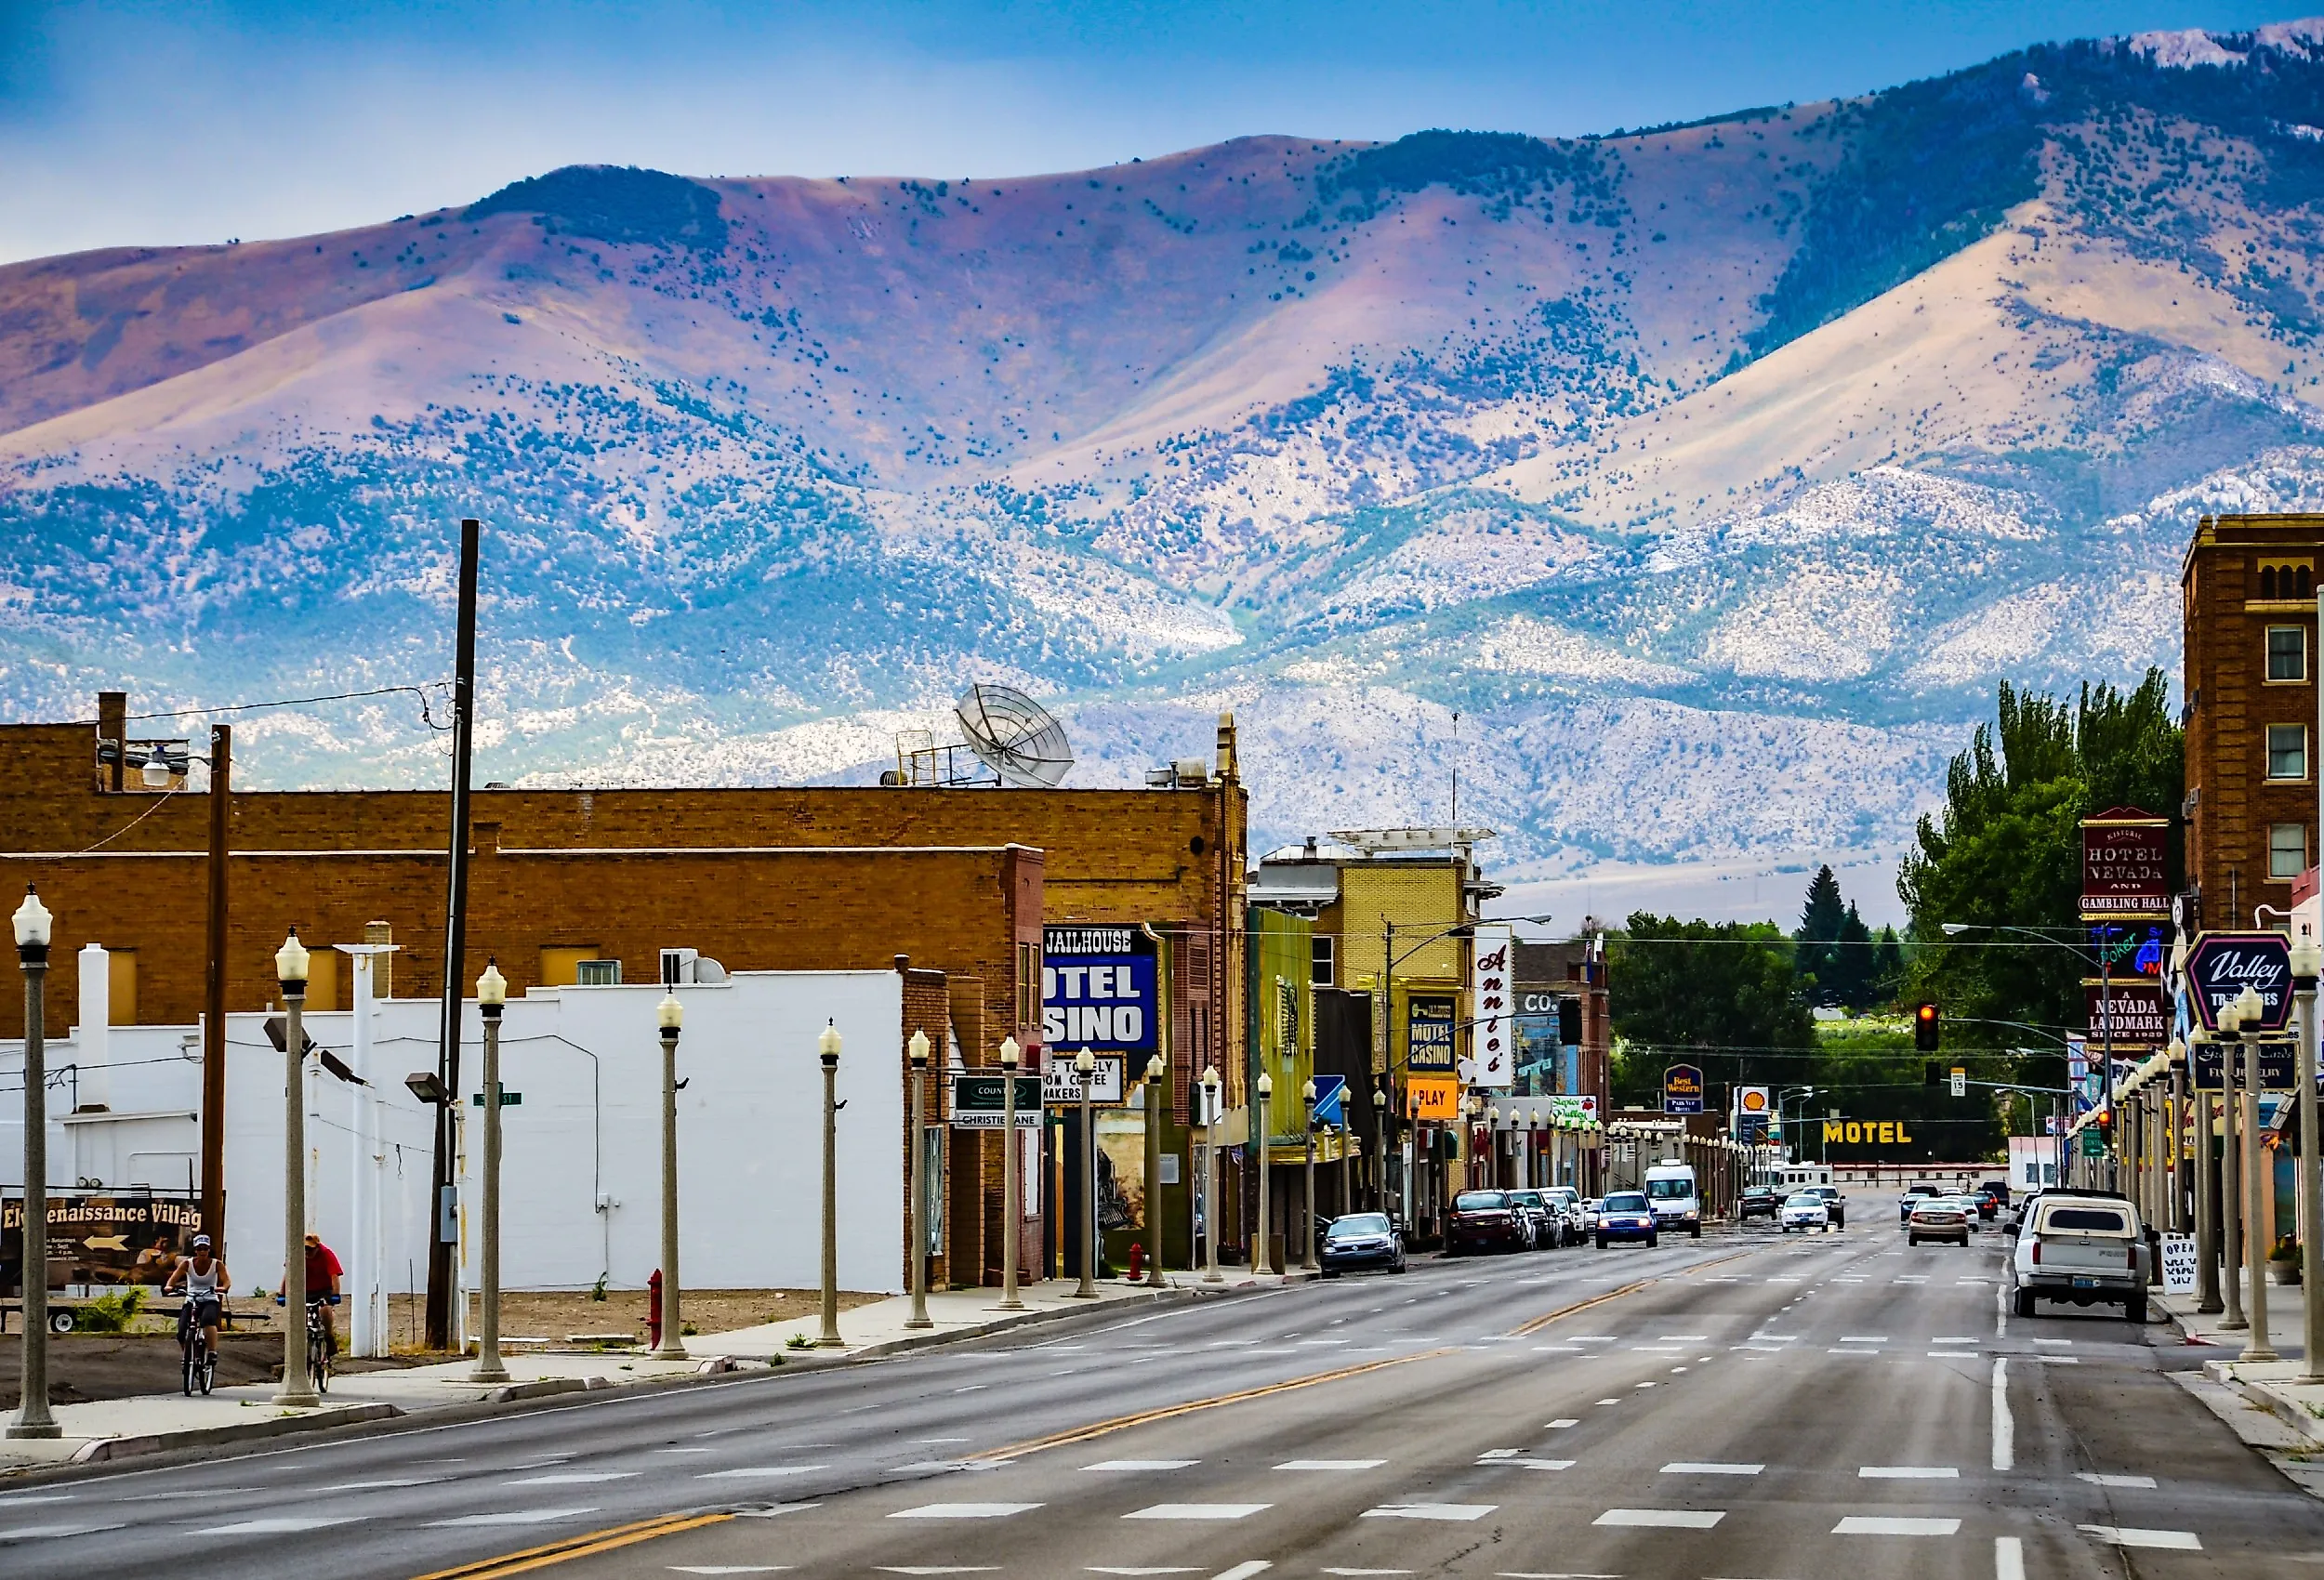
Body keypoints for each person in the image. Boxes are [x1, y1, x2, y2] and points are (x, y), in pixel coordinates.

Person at [162, 1235, 229, 1363]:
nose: (202, 1252)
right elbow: (173, 1279)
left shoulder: (217, 1264)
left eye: (205, 1249)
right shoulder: (187, 1264)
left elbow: (226, 1281)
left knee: (208, 1320)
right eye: (199, 1249)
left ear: (209, 1250)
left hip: (210, 1298)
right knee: (181, 1331)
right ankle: (188, 1357)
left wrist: (223, 1288)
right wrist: (169, 1286)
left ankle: (212, 1351)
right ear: (195, 1250)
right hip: (192, 1298)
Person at [303, 1232, 343, 1357]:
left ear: (317, 1247)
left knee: (325, 1310)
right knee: (299, 1315)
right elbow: (288, 1274)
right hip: (305, 1289)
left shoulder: (326, 1254)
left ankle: (329, 1336)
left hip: (324, 1289)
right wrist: (282, 1294)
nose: (307, 1252)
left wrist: (335, 1295)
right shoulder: (297, 1253)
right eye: (305, 1248)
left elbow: (334, 1276)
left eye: (310, 1249)